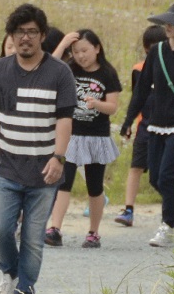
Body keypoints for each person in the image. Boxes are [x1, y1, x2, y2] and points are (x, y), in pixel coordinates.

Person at [0, 4, 76, 294]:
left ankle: (25, 293)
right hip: (9, 169)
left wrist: (59, 158)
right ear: (11, 36)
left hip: (46, 172)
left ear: (42, 36)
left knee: (34, 237)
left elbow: (65, 120)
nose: (26, 38)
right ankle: (10, 273)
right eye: (20, 32)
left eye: (32, 32)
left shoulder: (59, 73)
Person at [121, 7, 174, 248]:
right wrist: (128, 120)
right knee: (156, 178)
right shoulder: (156, 52)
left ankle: (167, 226)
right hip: (155, 124)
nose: (167, 26)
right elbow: (142, 88)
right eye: (166, 22)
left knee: (168, 174)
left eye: (173, 23)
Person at [46, 29, 121, 248]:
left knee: (94, 186)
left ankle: (93, 232)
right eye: (76, 51)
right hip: (71, 134)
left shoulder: (108, 73)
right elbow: (49, 67)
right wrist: (63, 44)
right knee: (63, 180)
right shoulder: (69, 69)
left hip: (96, 136)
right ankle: (55, 229)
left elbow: (113, 107)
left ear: (97, 49)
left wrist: (96, 104)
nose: (81, 56)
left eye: (85, 50)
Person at [112, 24, 167, 227]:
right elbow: (138, 98)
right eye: (150, 47)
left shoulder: (172, 69)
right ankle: (128, 209)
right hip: (144, 125)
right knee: (136, 166)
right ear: (145, 49)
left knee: (162, 173)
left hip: (167, 127)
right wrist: (129, 123)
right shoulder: (138, 70)